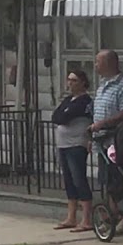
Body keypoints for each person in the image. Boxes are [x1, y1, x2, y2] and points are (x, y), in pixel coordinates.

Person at [89, 50, 123, 233]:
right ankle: (112, 217)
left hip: (117, 142)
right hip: (101, 142)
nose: (95, 65)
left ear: (109, 63)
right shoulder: (102, 85)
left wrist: (104, 123)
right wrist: (93, 134)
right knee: (107, 181)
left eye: (98, 62)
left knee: (119, 181)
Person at [51, 69, 94, 232]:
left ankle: (86, 219)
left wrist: (64, 114)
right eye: (69, 80)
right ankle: (71, 217)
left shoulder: (84, 101)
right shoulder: (68, 99)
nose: (70, 83)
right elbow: (56, 117)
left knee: (78, 179)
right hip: (63, 144)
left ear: (83, 82)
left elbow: (64, 117)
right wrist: (63, 113)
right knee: (68, 180)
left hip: (76, 144)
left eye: (74, 80)